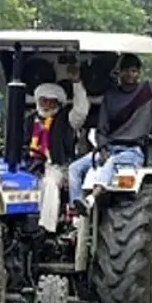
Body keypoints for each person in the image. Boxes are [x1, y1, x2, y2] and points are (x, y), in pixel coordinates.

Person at [67, 37, 152, 210]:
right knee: (74, 168)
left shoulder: (150, 90)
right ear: (119, 73)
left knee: (110, 165)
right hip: (109, 149)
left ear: (139, 73)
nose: (130, 75)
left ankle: (91, 200)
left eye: (133, 71)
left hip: (132, 152)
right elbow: (101, 129)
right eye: (126, 71)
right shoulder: (111, 96)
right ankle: (75, 207)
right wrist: (102, 148)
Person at [25, 67, 89, 230]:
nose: (46, 105)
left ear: (58, 103)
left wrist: (76, 83)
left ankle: (46, 228)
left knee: (50, 183)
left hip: (58, 167)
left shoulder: (66, 119)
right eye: (43, 100)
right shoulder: (29, 121)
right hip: (30, 167)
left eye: (51, 101)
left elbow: (81, 111)